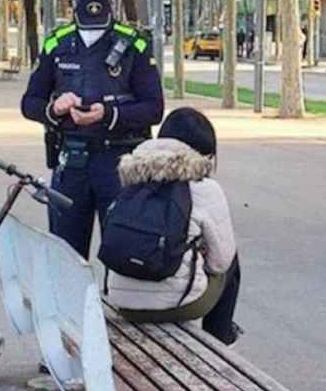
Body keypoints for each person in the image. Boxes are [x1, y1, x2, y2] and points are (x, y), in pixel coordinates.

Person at [20, 0, 164, 258]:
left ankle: (117, 302)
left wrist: (109, 114)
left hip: (120, 162)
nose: (92, 28)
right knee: (65, 256)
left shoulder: (134, 44)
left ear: (110, 9)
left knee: (125, 252)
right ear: (74, 9)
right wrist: (55, 110)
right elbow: (30, 102)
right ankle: (72, 303)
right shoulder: (56, 43)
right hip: (72, 161)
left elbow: (154, 108)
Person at [103, 107, 242, 345]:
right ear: (205, 152)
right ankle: (220, 338)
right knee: (231, 264)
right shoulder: (204, 187)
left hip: (121, 301)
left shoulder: (131, 176)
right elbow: (220, 262)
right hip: (179, 305)